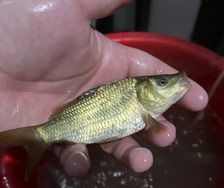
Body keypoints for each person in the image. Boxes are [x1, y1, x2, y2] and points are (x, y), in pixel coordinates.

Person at [0, 0, 208, 177]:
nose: (172, 82)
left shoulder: (147, 111)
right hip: (71, 122)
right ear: (143, 90)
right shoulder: (146, 111)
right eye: (162, 82)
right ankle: (38, 138)